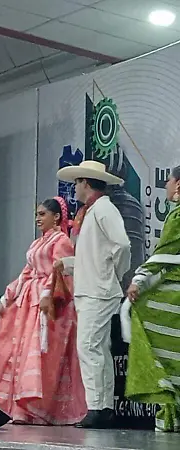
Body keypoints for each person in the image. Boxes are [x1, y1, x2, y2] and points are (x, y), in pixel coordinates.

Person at [0, 198, 87, 425]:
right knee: (23, 352)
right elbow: (26, 273)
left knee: (42, 355)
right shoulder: (37, 243)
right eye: (37, 214)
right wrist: (7, 297)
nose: (38, 218)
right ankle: (20, 409)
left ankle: (39, 407)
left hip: (50, 306)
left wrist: (47, 294)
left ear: (56, 216)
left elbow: (61, 275)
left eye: (42, 214)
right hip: (31, 302)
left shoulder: (62, 241)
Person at [55, 160, 131, 428]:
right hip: (92, 288)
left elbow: (122, 244)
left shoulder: (103, 209)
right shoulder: (91, 212)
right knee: (97, 348)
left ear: (86, 182)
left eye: (77, 182)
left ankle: (98, 406)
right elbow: (95, 256)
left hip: (97, 290)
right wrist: (68, 264)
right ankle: (102, 406)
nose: (75, 187)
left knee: (88, 347)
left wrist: (113, 273)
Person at [122, 165, 180, 432]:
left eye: (168, 181)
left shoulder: (178, 216)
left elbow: (164, 253)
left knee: (145, 313)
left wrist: (138, 280)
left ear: (178, 185)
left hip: (175, 291)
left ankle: (169, 401)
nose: (166, 185)